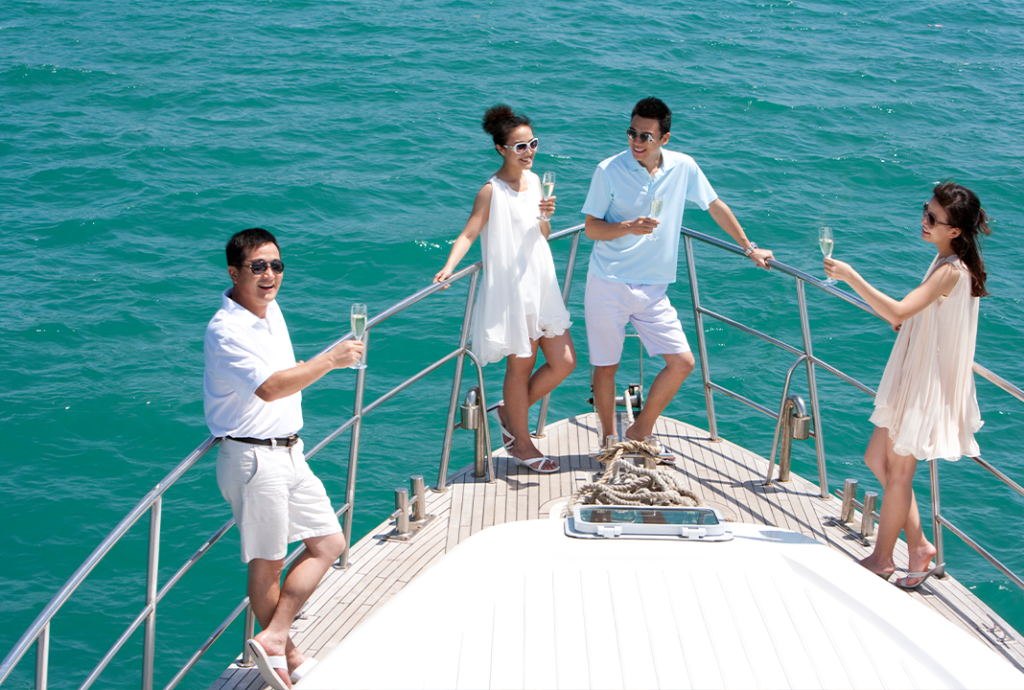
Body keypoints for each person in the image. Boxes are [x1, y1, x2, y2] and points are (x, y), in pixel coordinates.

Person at [204, 228, 364, 689]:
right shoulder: (225, 330)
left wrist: (327, 360)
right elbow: (270, 387)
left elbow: (285, 376)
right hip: (253, 458)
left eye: (276, 265)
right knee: (268, 560)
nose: (269, 274)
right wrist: (331, 360)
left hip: (290, 449)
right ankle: (287, 652)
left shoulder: (270, 312)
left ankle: (275, 637)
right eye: (258, 266)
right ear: (234, 273)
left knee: (329, 543)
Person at [823, 182, 990, 589]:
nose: (924, 220)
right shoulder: (944, 260)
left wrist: (850, 276)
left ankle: (883, 559)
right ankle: (918, 545)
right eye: (925, 210)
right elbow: (914, 314)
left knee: (897, 473)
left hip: (923, 386)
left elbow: (898, 310)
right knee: (876, 461)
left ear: (954, 230)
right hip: (912, 376)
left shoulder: (951, 270)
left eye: (933, 218)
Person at [582, 97, 774, 449]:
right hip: (608, 282)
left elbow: (714, 205)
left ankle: (639, 430)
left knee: (682, 362)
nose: (637, 143)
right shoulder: (608, 170)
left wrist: (749, 247)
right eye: (632, 133)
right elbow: (592, 228)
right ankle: (609, 440)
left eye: (646, 136)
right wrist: (627, 226)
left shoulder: (683, 167)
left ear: (664, 139)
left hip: (653, 287)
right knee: (606, 366)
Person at [434, 105, 576, 473]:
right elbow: (469, 232)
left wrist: (546, 216)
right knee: (522, 364)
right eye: (519, 147)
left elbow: (542, 235)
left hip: (542, 281)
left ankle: (506, 414)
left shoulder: (536, 183)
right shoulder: (490, 190)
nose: (528, 152)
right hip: (513, 289)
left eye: (532, 144)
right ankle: (522, 445)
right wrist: (449, 268)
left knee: (564, 362)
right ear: (501, 149)